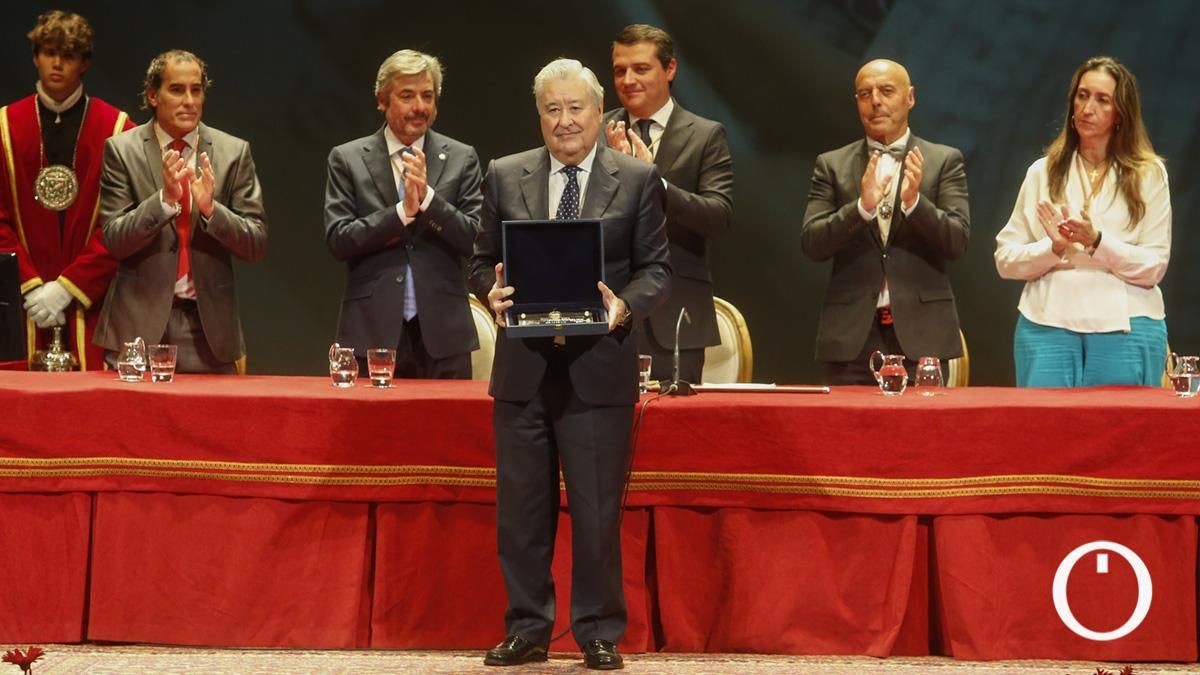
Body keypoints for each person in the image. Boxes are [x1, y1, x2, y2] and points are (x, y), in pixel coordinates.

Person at [469, 58, 669, 670]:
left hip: (599, 367)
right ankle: (527, 628)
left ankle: (598, 630)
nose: (565, 121)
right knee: (522, 513)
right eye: (552, 109)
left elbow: (657, 270)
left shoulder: (636, 178)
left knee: (596, 512)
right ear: (539, 116)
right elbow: (479, 261)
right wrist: (490, 291)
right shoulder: (505, 175)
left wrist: (622, 309)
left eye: (576, 107)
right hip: (523, 368)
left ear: (597, 110)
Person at [995, 56, 1169, 387]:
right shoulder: (1041, 172)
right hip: (1046, 326)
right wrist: (1054, 248)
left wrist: (1097, 242)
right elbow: (1005, 261)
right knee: (1045, 434)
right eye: (1082, 95)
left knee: (1123, 435)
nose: (1087, 108)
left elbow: (1153, 267)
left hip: (1128, 326)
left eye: (1102, 100)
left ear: (1120, 114)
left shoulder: (1149, 175)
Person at [95, 50, 267, 373]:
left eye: (196, 89)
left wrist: (211, 210)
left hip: (209, 333)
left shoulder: (233, 152)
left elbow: (256, 243)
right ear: (152, 95)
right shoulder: (121, 150)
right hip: (137, 327)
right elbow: (115, 240)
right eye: (177, 89)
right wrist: (163, 202)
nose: (189, 100)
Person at [801, 59, 969, 384]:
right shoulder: (831, 165)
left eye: (886, 91)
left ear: (910, 97)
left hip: (923, 338)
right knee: (846, 434)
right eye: (865, 93)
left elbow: (957, 241)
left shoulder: (943, 160)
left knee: (921, 435)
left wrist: (915, 204)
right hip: (850, 339)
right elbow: (812, 243)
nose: (875, 100)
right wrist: (861, 208)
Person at [324, 50, 482, 379]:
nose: (420, 107)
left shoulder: (461, 157)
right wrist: (400, 213)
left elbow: (475, 238)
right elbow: (339, 239)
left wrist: (427, 200)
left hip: (444, 336)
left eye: (427, 95)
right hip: (371, 332)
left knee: (446, 431)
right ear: (382, 100)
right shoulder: (348, 159)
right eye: (407, 96)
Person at [0, 10, 133, 370]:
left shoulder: (119, 130)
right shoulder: (3, 127)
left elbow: (123, 225)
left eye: (69, 55)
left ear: (85, 63)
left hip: (94, 304)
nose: (57, 63)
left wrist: (68, 287)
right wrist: (28, 282)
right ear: (35, 57)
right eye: (48, 52)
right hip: (21, 304)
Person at [603, 24, 733, 384]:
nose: (628, 80)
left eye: (640, 68)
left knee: (674, 436)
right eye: (619, 70)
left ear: (670, 69)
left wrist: (653, 180)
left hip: (675, 315)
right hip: (603, 312)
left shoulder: (706, 135)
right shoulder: (596, 133)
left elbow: (718, 217)